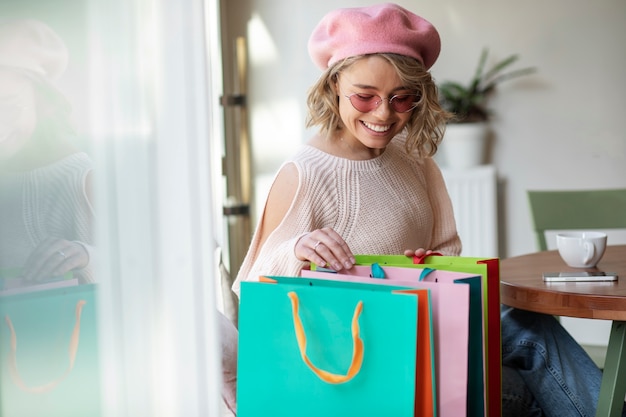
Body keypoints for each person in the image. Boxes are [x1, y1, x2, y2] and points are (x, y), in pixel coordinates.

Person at [232, 3, 621, 416]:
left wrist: (428, 263)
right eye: (365, 97)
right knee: (527, 386)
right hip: (369, 357)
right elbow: (255, 291)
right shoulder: (305, 172)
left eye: (402, 99)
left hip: (429, 329)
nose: (383, 114)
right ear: (332, 87)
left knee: (532, 328)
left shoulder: (414, 158)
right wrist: (297, 248)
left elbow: (446, 252)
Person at [0, 19, 95, 286]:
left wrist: (87, 257)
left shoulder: (79, 178)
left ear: (42, 103)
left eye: (8, 105)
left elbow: (137, 271)